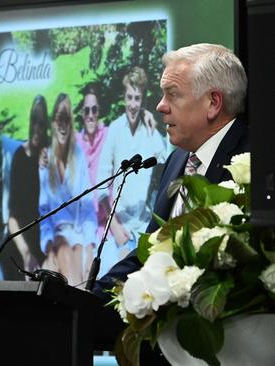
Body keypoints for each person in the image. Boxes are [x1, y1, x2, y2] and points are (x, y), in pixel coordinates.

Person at [94, 41, 249, 366]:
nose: (161, 106)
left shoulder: (254, 161)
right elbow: (150, 252)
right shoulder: (178, 160)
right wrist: (89, 296)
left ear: (213, 103)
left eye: (172, 94)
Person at [95, 66, 168, 277]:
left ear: (142, 100)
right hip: (118, 228)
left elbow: (166, 159)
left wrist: (152, 124)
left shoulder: (150, 130)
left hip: (145, 225)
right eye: (129, 97)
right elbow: (101, 184)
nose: (133, 104)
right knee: (111, 280)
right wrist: (116, 228)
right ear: (124, 97)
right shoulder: (115, 130)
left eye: (137, 98)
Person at [39, 93, 97, 285]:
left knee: (79, 253)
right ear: (53, 123)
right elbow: (44, 212)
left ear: (71, 123)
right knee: (63, 249)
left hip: (78, 235)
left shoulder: (79, 157)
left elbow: (88, 208)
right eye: (59, 119)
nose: (62, 125)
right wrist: (48, 248)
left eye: (66, 119)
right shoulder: (45, 160)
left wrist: (89, 250)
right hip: (58, 237)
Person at [4, 95, 49, 278]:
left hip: (44, 238)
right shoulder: (19, 156)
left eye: (42, 124)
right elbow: (12, 219)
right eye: (34, 123)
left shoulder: (49, 155)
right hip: (20, 240)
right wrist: (26, 253)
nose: (38, 129)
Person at [74, 86, 108, 279]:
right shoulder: (75, 140)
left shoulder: (109, 135)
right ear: (82, 113)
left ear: (99, 112)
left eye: (94, 110)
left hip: (104, 225)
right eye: (87, 110)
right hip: (81, 224)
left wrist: (145, 115)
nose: (90, 115)